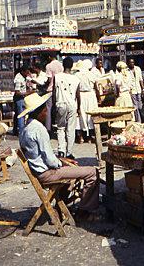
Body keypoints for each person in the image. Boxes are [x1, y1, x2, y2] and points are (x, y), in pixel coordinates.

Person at [18, 92, 100, 221]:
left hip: (40, 170)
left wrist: (61, 160)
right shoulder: (38, 129)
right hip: (47, 173)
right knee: (92, 172)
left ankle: (62, 207)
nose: (47, 113)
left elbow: (41, 154)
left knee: (71, 168)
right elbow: (51, 162)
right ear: (38, 112)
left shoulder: (26, 128)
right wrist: (61, 163)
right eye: (45, 110)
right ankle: (84, 211)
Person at [53, 57, 81, 158]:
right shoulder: (76, 79)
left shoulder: (57, 77)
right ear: (72, 65)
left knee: (60, 128)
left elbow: (54, 92)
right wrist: (79, 108)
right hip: (72, 105)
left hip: (60, 104)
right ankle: (69, 152)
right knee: (71, 129)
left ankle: (61, 150)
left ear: (63, 65)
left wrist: (53, 106)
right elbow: (78, 95)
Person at [74, 59, 98, 143]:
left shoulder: (77, 75)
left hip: (81, 95)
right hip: (90, 95)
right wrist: (98, 98)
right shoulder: (91, 74)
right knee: (90, 115)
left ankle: (81, 137)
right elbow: (96, 87)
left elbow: (75, 87)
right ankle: (90, 137)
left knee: (81, 115)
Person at [45, 52, 64, 132]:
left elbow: (49, 79)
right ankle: (61, 127)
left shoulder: (49, 66)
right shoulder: (60, 65)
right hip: (59, 89)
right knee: (59, 108)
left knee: (48, 109)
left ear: (49, 57)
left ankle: (48, 128)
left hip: (50, 89)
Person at [13, 65, 33, 135]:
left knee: (17, 115)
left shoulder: (24, 77)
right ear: (22, 72)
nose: (27, 74)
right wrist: (27, 92)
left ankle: (15, 130)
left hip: (23, 98)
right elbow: (17, 92)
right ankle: (21, 132)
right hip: (19, 98)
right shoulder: (19, 79)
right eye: (26, 73)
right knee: (21, 115)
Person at [127, 58, 144, 123]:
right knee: (135, 106)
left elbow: (140, 79)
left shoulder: (138, 69)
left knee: (140, 106)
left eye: (133, 62)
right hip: (132, 90)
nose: (132, 64)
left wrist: (143, 89)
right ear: (128, 63)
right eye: (130, 63)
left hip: (138, 89)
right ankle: (139, 121)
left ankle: (141, 119)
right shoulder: (126, 71)